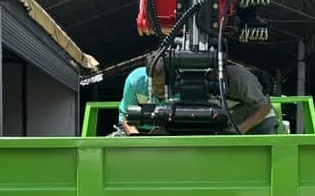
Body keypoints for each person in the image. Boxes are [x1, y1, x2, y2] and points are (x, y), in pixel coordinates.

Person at [118, 52, 277, 135]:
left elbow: (265, 107)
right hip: (233, 125)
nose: (159, 90)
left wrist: (241, 128)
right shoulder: (135, 82)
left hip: (259, 123)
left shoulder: (239, 78)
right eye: (156, 86)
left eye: (163, 85)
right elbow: (125, 116)